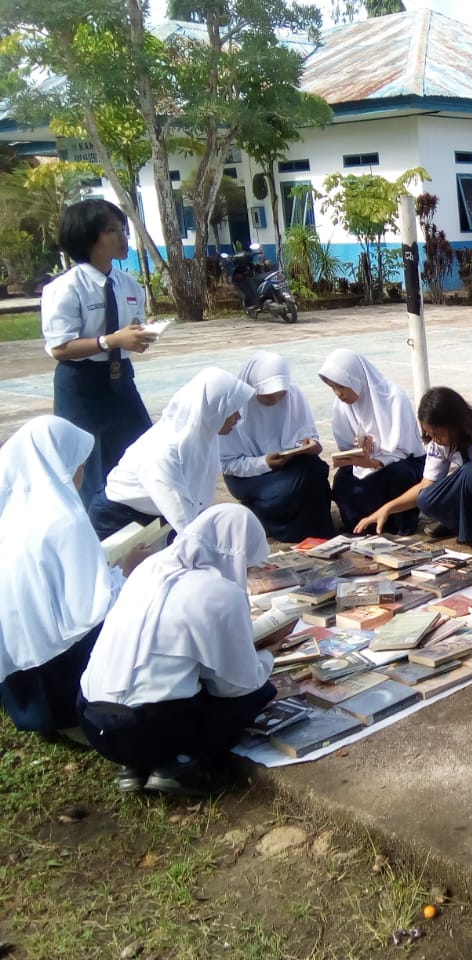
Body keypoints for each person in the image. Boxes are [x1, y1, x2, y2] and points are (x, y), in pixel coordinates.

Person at [78, 504, 275, 795]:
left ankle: (132, 766)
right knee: (259, 693)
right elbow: (236, 688)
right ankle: (178, 764)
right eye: (248, 564)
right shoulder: (221, 592)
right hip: (151, 728)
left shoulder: (147, 570)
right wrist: (268, 655)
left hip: (91, 720)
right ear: (236, 554)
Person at [0, 417, 130, 735]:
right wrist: (128, 572)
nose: (83, 473)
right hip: (59, 683)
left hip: (18, 684)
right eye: (79, 463)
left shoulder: (10, 513)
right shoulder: (65, 519)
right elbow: (94, 608)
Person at [41, 199, 158, 509]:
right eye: (111, 230)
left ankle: (138, 531)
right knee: (85, 470)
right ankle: (92, 541)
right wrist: (111, 341)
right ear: (87, 237)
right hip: (82, 384)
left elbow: (127, 330)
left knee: (142, 455)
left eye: (123, 229)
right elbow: (60, 348)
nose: (123, 238)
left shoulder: (128, 284)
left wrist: (137, 337)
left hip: (121, 382)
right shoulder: (66, 288)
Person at [91, 368, 254, 538]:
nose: (238, 417)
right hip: (119, 518)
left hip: (159, 515)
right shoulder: (164, 449)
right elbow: (182, 517)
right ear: (215, 409)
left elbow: (196, 504)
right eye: (233, 411)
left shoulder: (204, 438)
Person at [354, 386, 472, 544]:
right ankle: (461, 523)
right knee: (426, 498)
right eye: (430, 434)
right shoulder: (439, 443)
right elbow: (426, 484)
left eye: (439, 434)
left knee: (469, 473)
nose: (435, 439)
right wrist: (387, 508)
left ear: (456, 423)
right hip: (471, 495)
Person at [219, 351, 334, 542]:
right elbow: (228, 464)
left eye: (281, 395)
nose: (276, 401)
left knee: (315, 470)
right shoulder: (235, 407)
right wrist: (264, 463)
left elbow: (307, 436)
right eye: (267, 396)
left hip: (288, 466)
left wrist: (309, 446)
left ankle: (319, 530)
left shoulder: (293, 395)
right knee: (290, 490)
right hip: (248, 475)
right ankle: (270, 520)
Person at [318, 349, 427, 535]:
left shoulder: (393, 398)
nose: (338, 393)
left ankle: (399, 525)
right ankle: (360, 528)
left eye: (341, 386)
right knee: (343, 482)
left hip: (402, 461)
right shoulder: (341, 406)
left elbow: (405, 449)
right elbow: (346, 447)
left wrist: (374, 461)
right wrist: (359, 452)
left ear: (355, 380)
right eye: (333, 388)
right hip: (364, 462)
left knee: (398, 476)